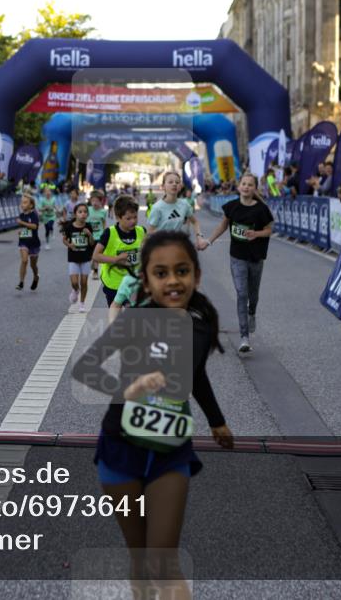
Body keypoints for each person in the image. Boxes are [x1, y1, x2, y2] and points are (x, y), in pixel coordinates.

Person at [71, 230, 234, 600]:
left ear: (196, 275)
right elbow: (85, 368)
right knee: (140, 557)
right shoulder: (133, 321)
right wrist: (128, 389)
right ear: (145, 280)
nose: (173, 280)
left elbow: (195, 375)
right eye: (161, 273)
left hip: (170, 450)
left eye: (182, 271)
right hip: (119, 447)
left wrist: (217, 420)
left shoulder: (202, 323)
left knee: (164, 559)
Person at [201, 172, 274, 354]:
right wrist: (209, 241)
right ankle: (244, 337)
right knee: (242, 294)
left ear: (254, 188)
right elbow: (222, 226)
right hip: (237, 257)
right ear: (239, 186)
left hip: (256, 257)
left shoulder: (261, 209)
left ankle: (252, 314)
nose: (247, 187)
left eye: (250, 184)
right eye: (244, 184)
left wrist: (256, 234)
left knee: (253, 296)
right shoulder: (232, 207)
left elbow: (269, 230)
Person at [94, 195, 146, 307]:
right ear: (118, 217)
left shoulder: (142, 231)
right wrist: (116, 259)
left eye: (135, 217)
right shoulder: (109, 233)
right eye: (128, 218)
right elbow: (96, 256)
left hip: (133, 282)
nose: (133, 221)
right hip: (114, 283)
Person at [147, 172, 208, 249]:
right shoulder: (157, 208)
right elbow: (150, 232)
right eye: (170, 182)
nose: (174, 184)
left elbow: (195, 222)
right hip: (160, 248)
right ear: (163, 187)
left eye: (177, 182)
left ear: (180, 187)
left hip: (177, 247)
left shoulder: (184, 204)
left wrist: (199, 238)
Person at [62, 202, 94, 313]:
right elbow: (64, 239)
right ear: (75, 214)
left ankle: (82, 303)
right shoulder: (69, 227)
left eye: (85, 212)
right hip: (73, 257)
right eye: (80, 212)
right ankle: (75, 290)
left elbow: (92, 243)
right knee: (75, 282)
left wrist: (89, 234)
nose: (83, 214)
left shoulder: (88, 226)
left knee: (84, 282)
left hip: (85, 258)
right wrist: (70, 245)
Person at [15, 194, 42, 291]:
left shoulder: (34, 214)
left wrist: (22, 223)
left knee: (33, 265)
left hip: (34, 243)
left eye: (25, 202)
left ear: (31, 205)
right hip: (24, 242)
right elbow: (24, 228)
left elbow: (34, 226)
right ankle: (21, 282)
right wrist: (20, 231)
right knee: (24, 260)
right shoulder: (21, 215)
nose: (22, 204)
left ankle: (36, 277)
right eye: (22, 202)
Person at [86, 190, 108, 281]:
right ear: (90, 201)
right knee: (90, 255)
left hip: (99, 235)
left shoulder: (103, 212)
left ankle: (95, 271)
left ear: (101, 201)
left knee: (96, 254)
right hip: (89, 235)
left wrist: (104, 233)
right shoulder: (88, 209)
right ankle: (93, 262)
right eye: (93, 201)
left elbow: (103, 223)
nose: (95, 203)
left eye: (97, 201)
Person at [38, 185, 58, 250]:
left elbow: (55, 206)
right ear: (44, 193)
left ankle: (52, 232)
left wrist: (58, 210)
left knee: (50, 226)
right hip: (45, 217)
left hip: (52, 216)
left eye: (49, 191)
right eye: (46, 191)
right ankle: (47, 243)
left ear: (51, 192)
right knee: (47, 230)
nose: (48, 193)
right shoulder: (42, 200)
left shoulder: (53, 199)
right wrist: (45, 208)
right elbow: (40, 209)